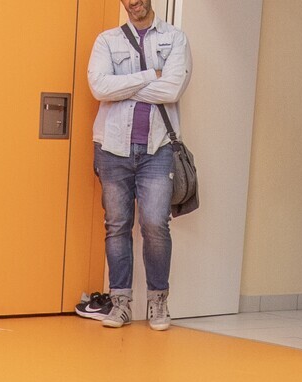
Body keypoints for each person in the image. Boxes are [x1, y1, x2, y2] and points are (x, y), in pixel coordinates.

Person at [82, 0, 191, 332]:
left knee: (155, 225)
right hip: (112, 146)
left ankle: (158, 301)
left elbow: (172, 89)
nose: (134, 2)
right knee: (116, 226)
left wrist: (123, 87)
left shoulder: (175, 39)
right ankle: (120, 303)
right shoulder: (106, 41)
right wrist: (150, 76)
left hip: (157, 148)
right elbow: (99, 87)